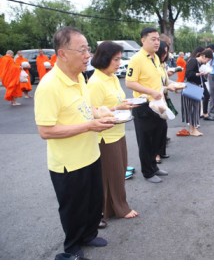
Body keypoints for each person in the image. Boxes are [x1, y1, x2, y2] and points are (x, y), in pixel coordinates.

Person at [34, 26, 115, 258]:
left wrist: (101, 114)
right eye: (82, 50)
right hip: (68, 164)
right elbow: (46, 130)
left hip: (90, 154)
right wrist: (89, 126)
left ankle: (88, 235)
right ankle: (71, 250)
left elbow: (85, 107)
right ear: (62, 53)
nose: (87, 55)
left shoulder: (80, 77)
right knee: (73, 208)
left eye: (87, 48)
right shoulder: (49, 86)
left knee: (93, 201)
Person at [87, 41, 139, 222]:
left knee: (119, 170)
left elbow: (112, 105)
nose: (119, 63)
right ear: (104, 58)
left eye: (120, 59)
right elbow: (93, 111)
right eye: (116, 59)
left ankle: (108, 208)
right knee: (113, 174)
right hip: (105, 135)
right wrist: (117, 108)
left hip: (118, 130)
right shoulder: (95, 82)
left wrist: (122, 106)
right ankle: (120, 208)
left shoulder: (113, 77)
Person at [125, 27, 169, 184]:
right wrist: (150, 91)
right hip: (144, 105)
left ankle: (154, 167)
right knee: (145, 140)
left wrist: (166, 88)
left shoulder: (156, 58)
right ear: (143, 40)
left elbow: (158, 80)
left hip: (158, 104)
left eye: (158, 39)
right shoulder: (136, 59)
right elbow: (129, 82)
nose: (157, 42)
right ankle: (148, 172)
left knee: (159, 135)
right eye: (153, 39)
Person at [181, 48, 214, 136]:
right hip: (192, 87)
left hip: (196, 87)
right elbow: (188, 74)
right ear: (203, 56)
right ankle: (193, 129)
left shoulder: (198, 63)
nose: (207, 62)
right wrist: (198, 74)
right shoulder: (193, 61)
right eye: (207, 59)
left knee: (195, 108)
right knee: (193, 109)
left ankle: (193, 129)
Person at [155, 40, 177, 164]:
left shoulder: (162, 65)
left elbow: (166, 81)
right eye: (163, 53)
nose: (165, 55)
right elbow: (154, 86)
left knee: (163, 126)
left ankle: (161, 151)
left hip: (164, 97)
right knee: (158, 127)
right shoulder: (154, 65)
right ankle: (156, 154)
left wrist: (175, 85)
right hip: (156, 100)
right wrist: (168, 87)